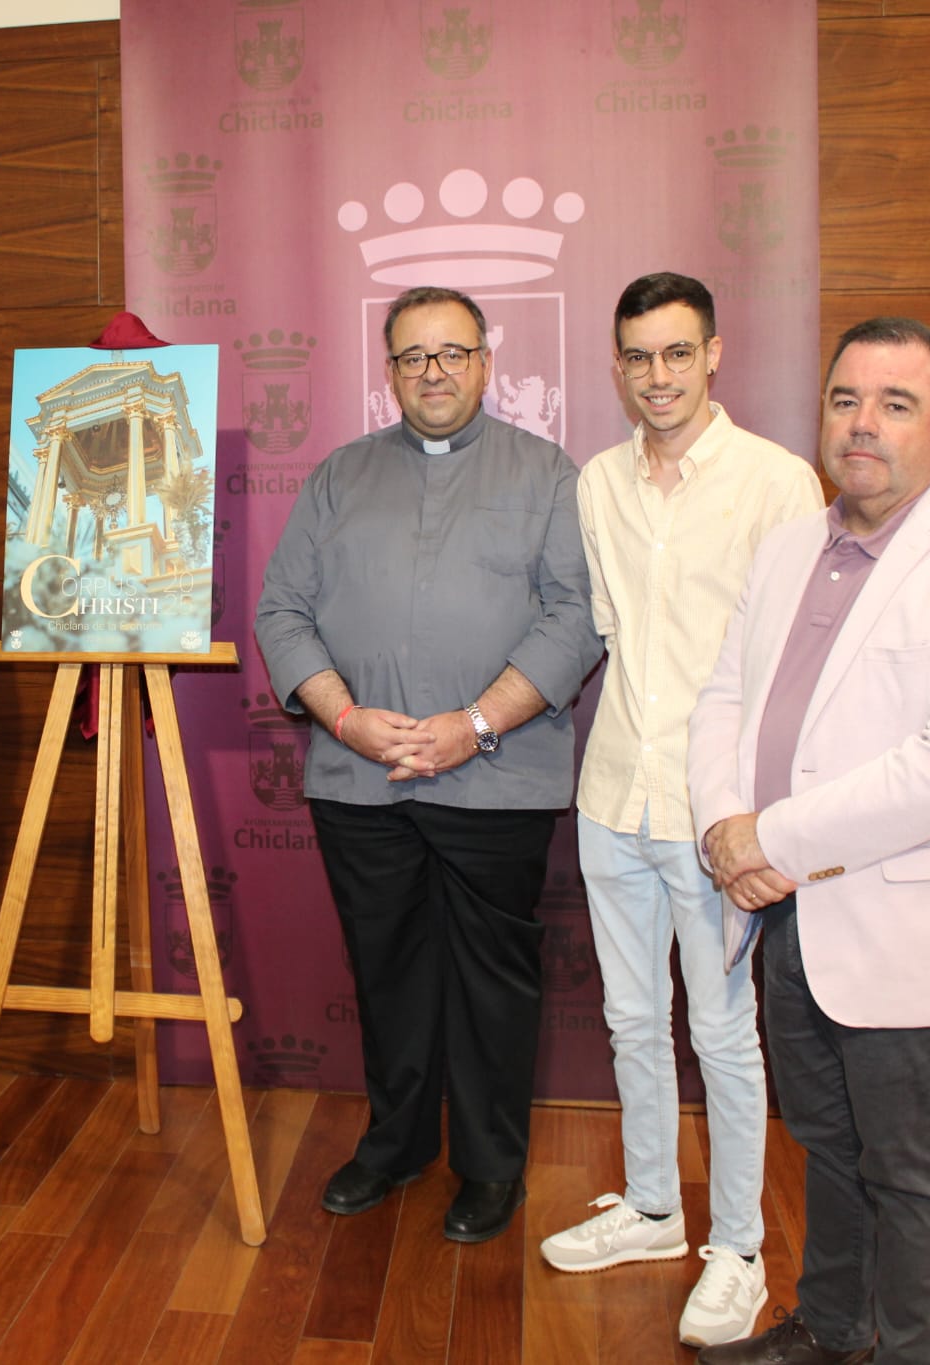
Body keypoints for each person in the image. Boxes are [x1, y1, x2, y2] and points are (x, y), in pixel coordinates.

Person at [687, 318, 930, 1365]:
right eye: (845, 400)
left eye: (895, 405)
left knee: (907, 1168)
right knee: (822, 1142)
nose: (862, 424)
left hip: (896, 920)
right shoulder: (784, 548)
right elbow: (725, 699)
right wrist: (720, 826)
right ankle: (830, 1328)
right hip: (781, 910)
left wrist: (766, 835)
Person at [255, 285, 600, 1243]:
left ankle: (491, 1168)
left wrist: (474, 725)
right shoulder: (339, 476)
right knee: (388, 972)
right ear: (390, 371)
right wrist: (346, 719)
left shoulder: (547, 474)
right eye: (413, 356)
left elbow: (576, 617)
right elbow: (281, 610)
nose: (433, 371)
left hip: (497, 775)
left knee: (492, 981)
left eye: (452, 353)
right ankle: (396, 1143)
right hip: (361, 778)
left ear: (485, 364)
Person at [540, 273, 822, 1348]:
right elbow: (611, 633)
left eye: (675, 353)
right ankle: (654, 1208)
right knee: (629, 1018)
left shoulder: (775, 483)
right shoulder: (597, 484)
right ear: (616, 367)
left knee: (721, 1030)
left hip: (715, 815)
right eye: (637, 357)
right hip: (613, 791)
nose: (656, 376)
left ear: (712, 355)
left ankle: (739, 1249)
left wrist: (753, 814)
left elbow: (788, 665)